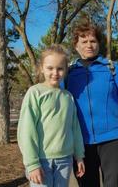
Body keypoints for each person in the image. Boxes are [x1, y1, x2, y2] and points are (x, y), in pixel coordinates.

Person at [65, 22, 118, 187]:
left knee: (113, 184)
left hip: (113, 137)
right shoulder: (68, 73)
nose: (89, 45)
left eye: (93, 41)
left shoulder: (112, 68)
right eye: (84, 41)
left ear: (98, 44)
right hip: (81, 140)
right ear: (76, 46)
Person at [17, 45, 85, 187]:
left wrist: (79, 156)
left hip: (65, 160)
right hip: (41, 160)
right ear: (41, 68)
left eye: (60, 68)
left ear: (66, 70)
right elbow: (26, 130)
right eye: (50, 68)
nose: (55, 73)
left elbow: (75, 128)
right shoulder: (35, 93)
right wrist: (32, 163)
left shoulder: (68, 96)